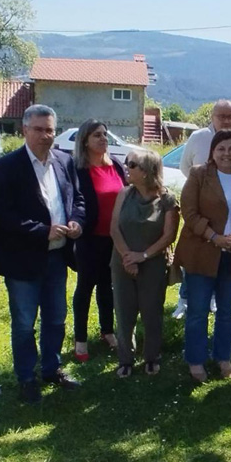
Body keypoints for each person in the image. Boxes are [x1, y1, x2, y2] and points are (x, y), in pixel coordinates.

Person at [0, 104, 85, 403]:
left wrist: (76, 222)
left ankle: (51, 368)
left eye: (50, 130)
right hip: (24, 260)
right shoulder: (8, 166)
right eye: (39, 129)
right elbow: (3, 216)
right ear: (24, 131)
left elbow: (78, 199)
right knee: (23, 322)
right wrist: (41, 230)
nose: (45, 136)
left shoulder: (64, 161)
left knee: (56, 319)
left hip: (58, 257)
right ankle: (26, 377)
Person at [176, 130, 231, 381]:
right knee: (198, 310)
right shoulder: (199, 174)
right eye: (221, 148)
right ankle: (195, 359)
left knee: (228, 311)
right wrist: (214, 237)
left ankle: (222, 356)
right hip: (202, 253)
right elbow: (188, 212)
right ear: (213, 152)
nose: (227, 154)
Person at [175, 100, 231, 319]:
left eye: (230, 117)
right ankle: (184, 299)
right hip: (200, 205)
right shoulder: (198, 138)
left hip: (230, 213)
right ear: (212, 116)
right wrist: (203, 189)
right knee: (196, 260)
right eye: (221, 116)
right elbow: (185, 166)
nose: (226, 120)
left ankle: (215, 300)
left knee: (222, 264)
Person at [110, 147, 180, 377]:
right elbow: (114, 229)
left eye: (132, 165)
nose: (126, 168)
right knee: (124, 312)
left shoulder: (168, 200)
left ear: (148, 171)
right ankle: (125, 359)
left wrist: (144, 256)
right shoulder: (124, 193)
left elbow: (169, 235)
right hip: (122, 262)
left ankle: (152, 356)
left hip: (153, 264)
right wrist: (127, 257)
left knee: (152, 312)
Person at [71, 119, 126, 362]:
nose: (103, 139)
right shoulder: (78, 169)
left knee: (108, 287)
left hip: (114, 239)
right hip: (89, 238)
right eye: (97, 135)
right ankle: (80, 339)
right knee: (85, 287)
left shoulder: (115, 164)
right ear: (85, 141)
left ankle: (107, 330)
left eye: (105, 134)